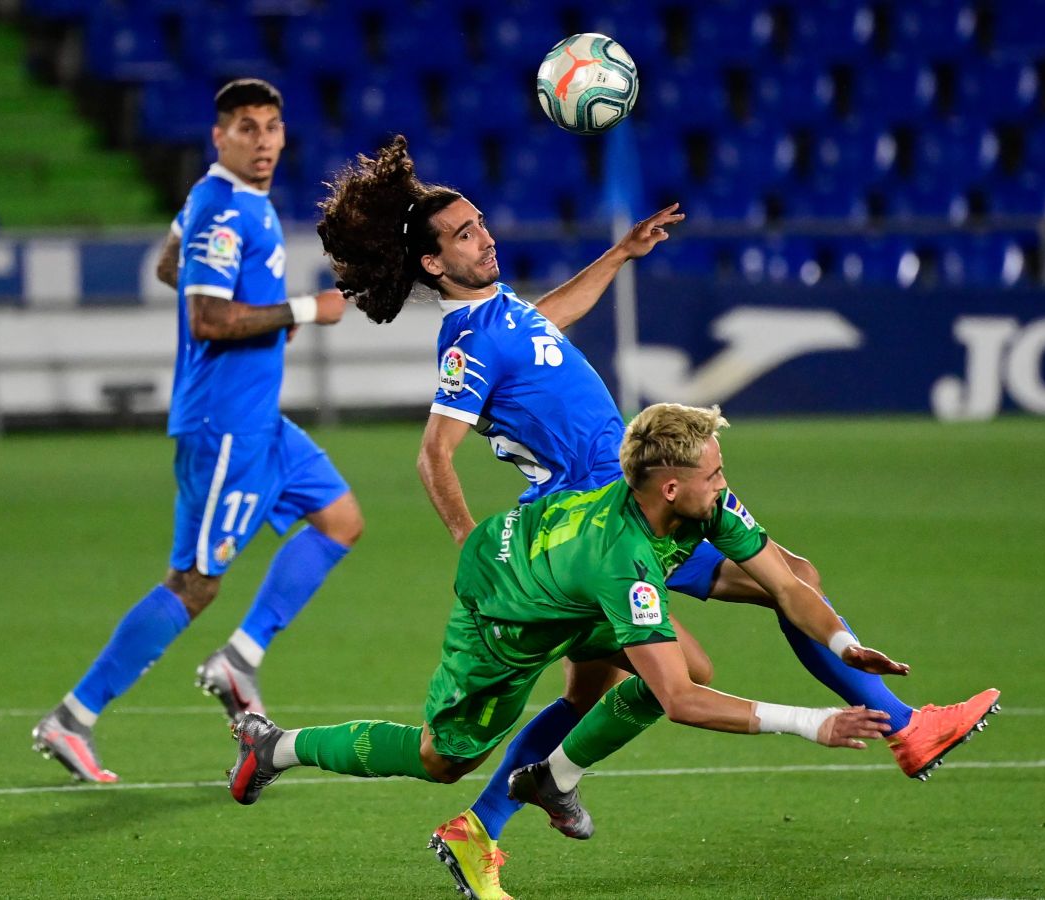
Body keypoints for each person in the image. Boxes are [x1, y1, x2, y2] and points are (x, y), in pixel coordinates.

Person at [314, 136, 1000, 897]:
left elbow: (549, 319)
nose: (488, 235)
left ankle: (480, 829)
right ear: (436, 264)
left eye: (482, 221)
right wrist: (466, 539)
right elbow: (432, 455)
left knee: (595, 691)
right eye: (467, 233)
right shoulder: (468, 344)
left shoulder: (505, 315)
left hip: (617, 510)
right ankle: (907, 729)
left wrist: (618, 256)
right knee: (766, 599)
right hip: (600, 523)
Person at [227, 403, 906, 897]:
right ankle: (275, 747)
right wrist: (816, 723)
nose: (725, 485)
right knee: (445, 759)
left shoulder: (703, 507)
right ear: (672, 487)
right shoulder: (624, 560)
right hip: (503, 610)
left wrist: (845, 644)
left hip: (570, 591)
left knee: (679, 664)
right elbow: (680, 704)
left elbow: (788, 585)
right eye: (715, 474)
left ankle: (550, 779)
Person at [32, 78, 361, 783]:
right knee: (194, 582)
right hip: (226, 427)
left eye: (272, 126)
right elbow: (207, 318)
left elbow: (168, 265)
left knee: (340, 519)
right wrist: (302, 309)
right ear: (219, 136)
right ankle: (73, 716)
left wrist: (265, 320)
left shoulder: (228, 201)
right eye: (247, 127)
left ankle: (240, 657)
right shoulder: (222, 206)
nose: (265, 140)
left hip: (259, 417)